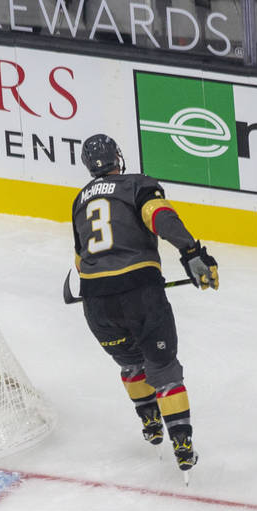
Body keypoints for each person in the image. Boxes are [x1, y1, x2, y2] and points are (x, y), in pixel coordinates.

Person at [71, 133, 219, 472]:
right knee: (164, 370)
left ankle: (150, 422)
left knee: (131, 363)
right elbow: (159, 217)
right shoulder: (136, 185)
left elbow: (81, 260)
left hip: (95, 300)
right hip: (139, 290)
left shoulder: (79, 200)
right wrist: (191, 252)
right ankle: (182, 444)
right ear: (117, 158)